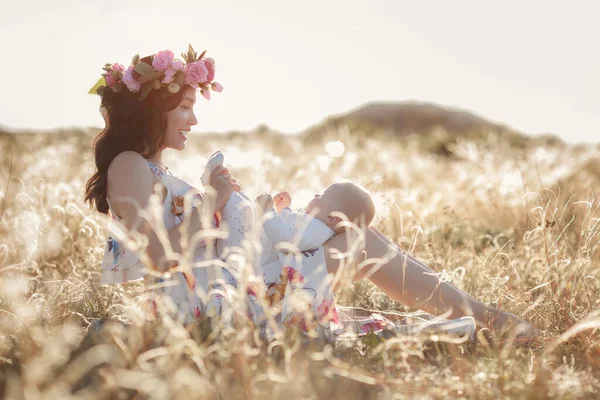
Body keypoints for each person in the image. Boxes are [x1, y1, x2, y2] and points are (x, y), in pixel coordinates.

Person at [84, 45, 536, 339]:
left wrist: (252, 212)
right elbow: (154, 258)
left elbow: (205, 244)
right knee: (359, 243)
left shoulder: (153, 169)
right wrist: (214, 202)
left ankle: (489, 319)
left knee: (355, 228)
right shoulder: (127, 165)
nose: (194, 121)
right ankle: (493, 322)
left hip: (228, 290)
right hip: (208, 310)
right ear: (150, 111)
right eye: (184, 108)